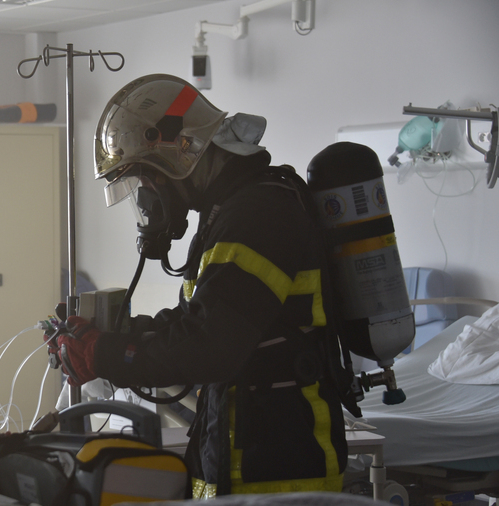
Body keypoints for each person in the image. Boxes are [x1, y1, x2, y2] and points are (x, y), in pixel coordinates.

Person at [48, 74, 349, 499]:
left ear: (181, 152)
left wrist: (105, 353)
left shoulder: (257, 217)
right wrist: (119, 335)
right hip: (246, 456)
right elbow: (200, 321)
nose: (148, 199)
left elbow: (209, 348)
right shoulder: (229, 214)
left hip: (283, 471)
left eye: (147, 179)